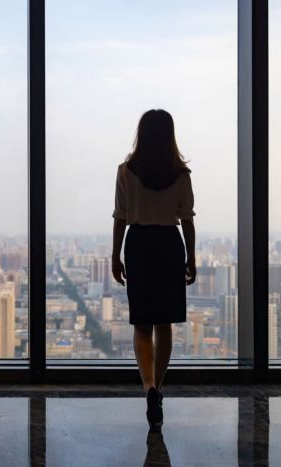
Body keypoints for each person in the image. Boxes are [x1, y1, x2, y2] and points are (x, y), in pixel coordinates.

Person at [111, 109, 196, 428]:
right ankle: (158, 389)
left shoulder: (125, 171)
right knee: (164, 325)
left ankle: (147, 386)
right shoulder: (181, 174)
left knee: (142, 324)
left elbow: (120, 216)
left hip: (139, 245)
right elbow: (186, 219)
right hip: (169, 246)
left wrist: (115, 255)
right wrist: (191, 257)